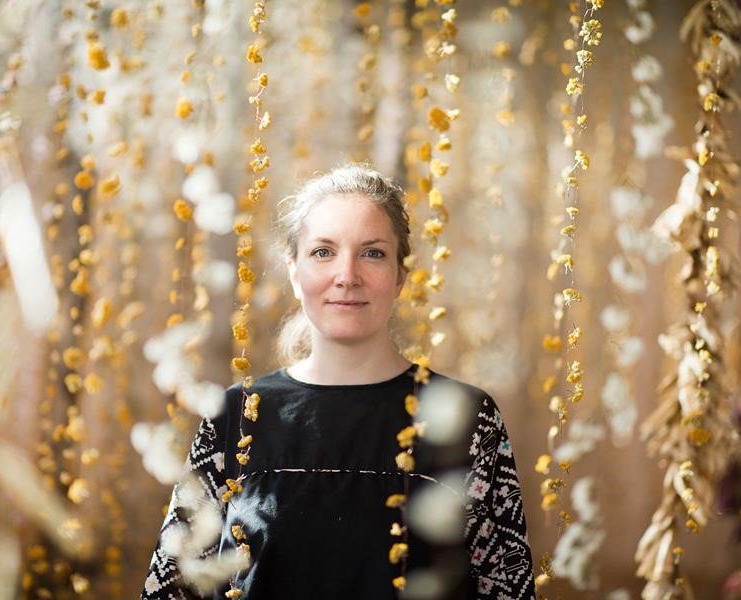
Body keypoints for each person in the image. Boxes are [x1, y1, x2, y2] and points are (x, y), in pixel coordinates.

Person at [141, 165, 534, 599]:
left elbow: (507, 590)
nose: (347, 275)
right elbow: (172, 589)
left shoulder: (468, 418)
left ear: (401, 275)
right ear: (294, 271)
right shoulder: (235, 415)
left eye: (372, 253)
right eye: (323, 252)